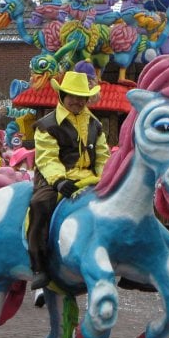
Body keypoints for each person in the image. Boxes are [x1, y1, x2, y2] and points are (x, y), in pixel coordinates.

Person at [27, 71, 110, 290]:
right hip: (56, 179)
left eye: (81, 97)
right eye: (72, 96)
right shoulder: (47, 125)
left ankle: (126, 261)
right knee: (40, 204)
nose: (77, 101)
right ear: (62, 96)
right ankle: (39, 265)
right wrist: (59, 181)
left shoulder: (95, 124)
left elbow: (103, 156)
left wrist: (106, 178)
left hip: (90, 178)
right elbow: (47, 158)